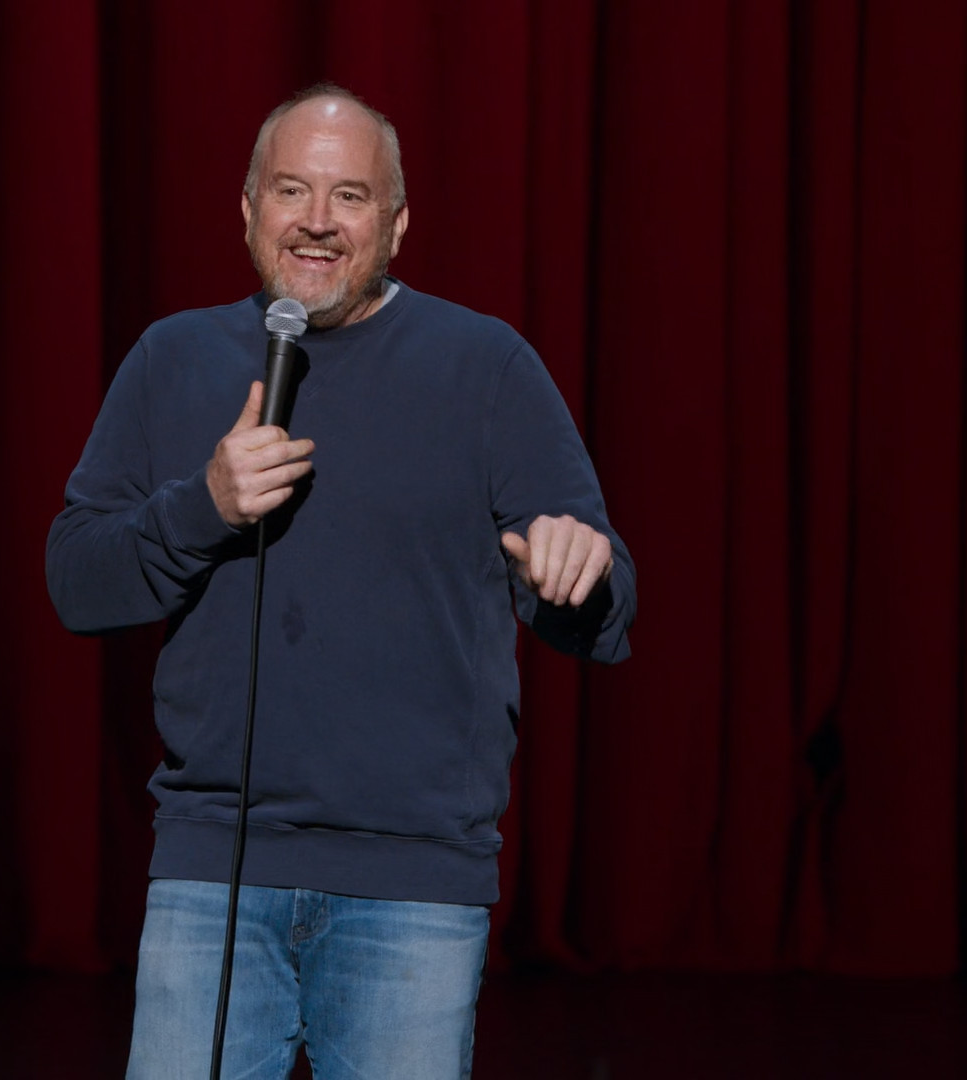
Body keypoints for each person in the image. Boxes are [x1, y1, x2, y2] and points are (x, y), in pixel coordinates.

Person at [46, 84, 635, 1080]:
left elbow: (605, 605)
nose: (317, 219)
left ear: (396, 224)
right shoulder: (172, 357)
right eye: (292, 190)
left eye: (350, 196)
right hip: (213, 880)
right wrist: (204, 507)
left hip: (413, 889)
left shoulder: (487, 367)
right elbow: (76, 581)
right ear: (248, 209)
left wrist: (578, 573)